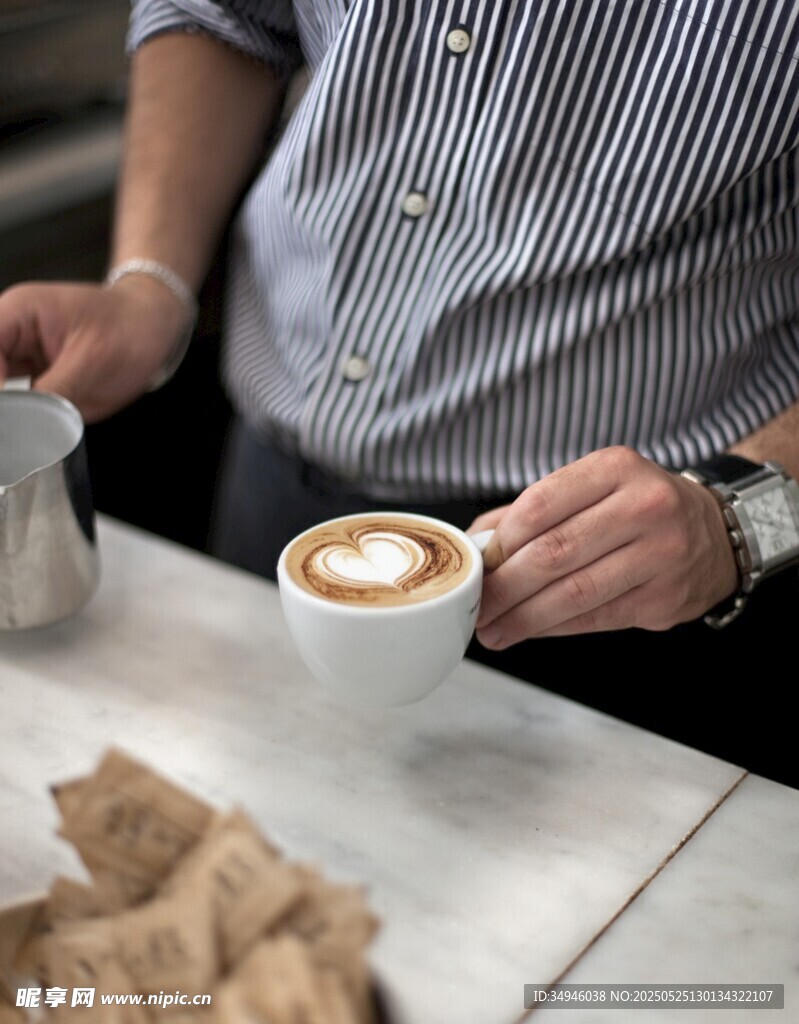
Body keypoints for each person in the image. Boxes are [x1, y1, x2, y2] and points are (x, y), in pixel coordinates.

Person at [1, 1, 797, 783]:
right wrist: (151, 281)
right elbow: (223, 13)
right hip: (271, 495)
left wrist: (739, 515)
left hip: (625, 563)